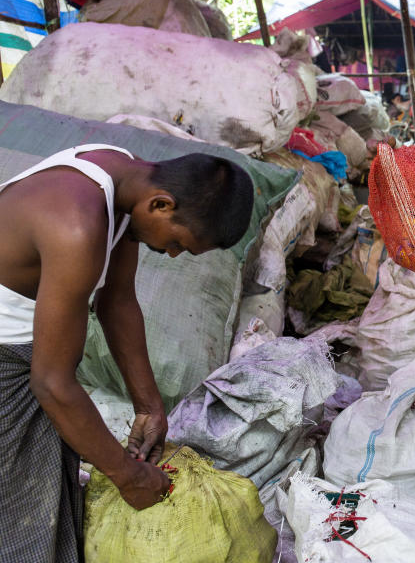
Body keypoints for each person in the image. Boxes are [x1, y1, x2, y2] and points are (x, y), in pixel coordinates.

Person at [0, 144, 254, 561]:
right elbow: (51, 383)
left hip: (28, 356)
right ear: (160, 203)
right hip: (14, 363)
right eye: (177, 243)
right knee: (18, 520)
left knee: (51, 492)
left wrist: (149, 405)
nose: (172, 254)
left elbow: (116, 301)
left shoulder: (120, 177)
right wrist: (127, 474)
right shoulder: (76, 225)